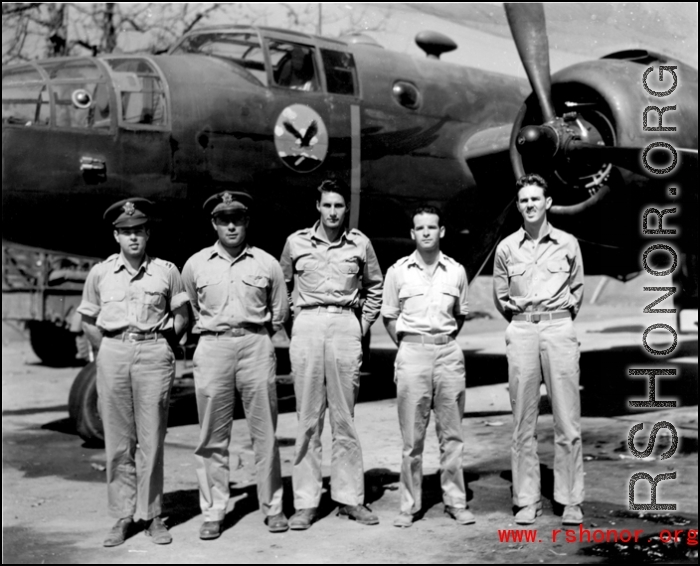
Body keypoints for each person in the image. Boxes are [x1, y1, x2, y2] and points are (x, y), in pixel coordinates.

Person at [78, 197, 189, 547]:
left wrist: (164, 345)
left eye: (139, 231)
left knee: (152, 438)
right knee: (117, 441)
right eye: (126, 232)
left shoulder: (166, 271)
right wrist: (111, 346)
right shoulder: (100, 273)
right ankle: (123, 516)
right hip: (113, 352)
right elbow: (88, 319)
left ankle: (153, 515)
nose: (133, 238)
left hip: (154, 352)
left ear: (148, 233)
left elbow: (183, 315)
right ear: (116, 236)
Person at [181, 191, 289, 540]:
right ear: (214, 223)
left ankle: (272, 507)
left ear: (246, 222)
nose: (231, 225)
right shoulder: (195, 264)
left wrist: (252, 334)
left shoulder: (267, 263)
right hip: (213, 347)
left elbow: (280, 311)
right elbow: (193, 310)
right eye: (223, 219)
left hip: (256, 344)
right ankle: (213, 510)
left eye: (237, 218)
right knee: (212, 437)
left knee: (265, 434)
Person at [280, 179, 383, 529]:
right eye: (328, 205)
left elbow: (375, 288)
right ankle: (306, 503)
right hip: (308, 325)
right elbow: (283, 290)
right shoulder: (296, 243)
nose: (334, 212)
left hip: (344, 326)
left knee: (344, 417)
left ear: (345, 209)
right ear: (318, 207)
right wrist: (296, 324)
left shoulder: (360, 244)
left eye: (339, 206)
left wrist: (361, 325)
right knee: (308, 418)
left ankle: (350, 498)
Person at [492, 173, 585, 526]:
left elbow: (576, 290)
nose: (530, 205)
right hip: (521, 330)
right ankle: (527, 500)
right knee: (522, 422)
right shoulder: (506, 249)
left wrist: (556, 320)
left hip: (559, 328)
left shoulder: (567, 243)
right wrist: (525, 322)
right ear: (518, 206)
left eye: (535, 199)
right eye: (524, 200)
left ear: (547, 203)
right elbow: (501, 298)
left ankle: (570, 499)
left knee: (567, 420)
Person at [381, 205, 475, 528]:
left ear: (441, 231)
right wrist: (410, 346)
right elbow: (389, 316)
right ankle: (409, 505)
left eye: (431, 227)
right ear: (412, 233)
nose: (425, 233)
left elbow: (459, 315)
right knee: (412, 439)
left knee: (452, 436)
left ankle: (456, 501)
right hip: (412, 355)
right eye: (419, 228)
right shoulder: (398, 272)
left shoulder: (456, 272)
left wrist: (440, 344)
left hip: (448, 355)